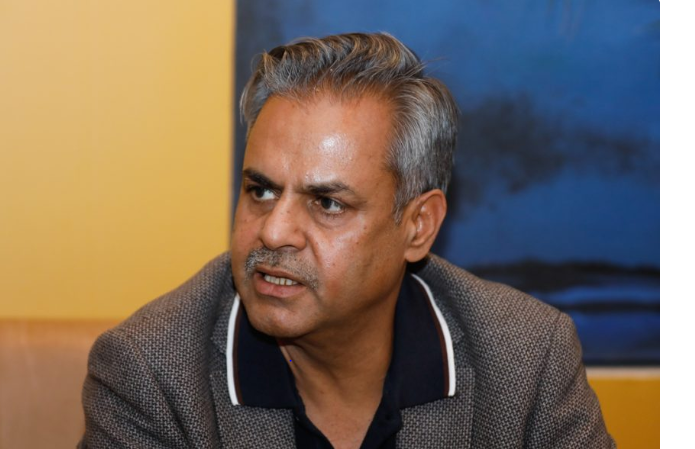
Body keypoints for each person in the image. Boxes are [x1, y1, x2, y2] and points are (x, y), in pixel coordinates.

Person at [79, 33, 614, 449]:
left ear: (418, 225)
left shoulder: (527, 358)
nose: (273, 231)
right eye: (260, 190)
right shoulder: (151, 373)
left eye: (327, 203)